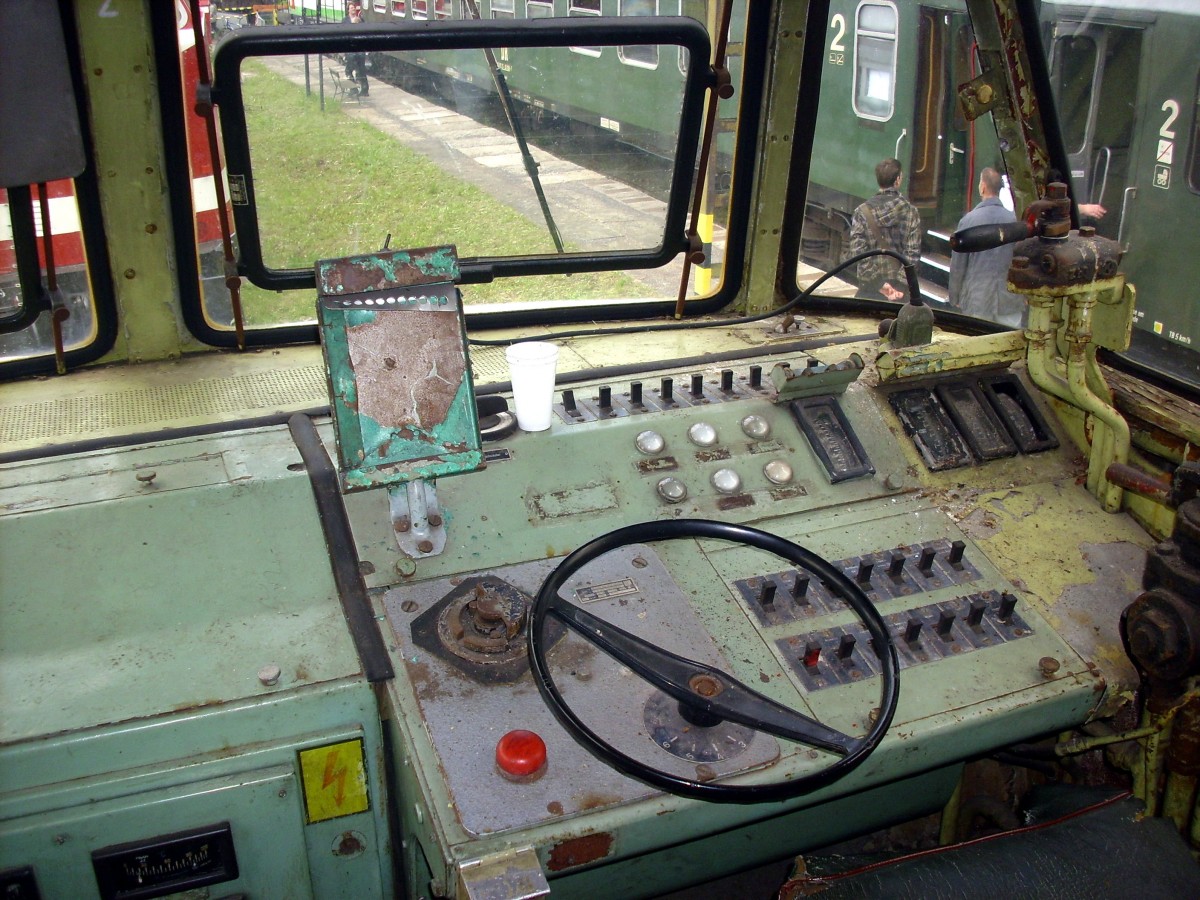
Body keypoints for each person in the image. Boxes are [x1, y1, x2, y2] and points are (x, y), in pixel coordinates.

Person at [948, 167, 1025, 328]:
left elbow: (958, 265)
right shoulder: (1014, 220)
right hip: (1009, 301)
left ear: (982, 187)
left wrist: (955, 296)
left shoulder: (968, 221)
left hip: (978, 299)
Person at [846, 158, 922, 300]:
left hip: (870, 288)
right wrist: (899, 286)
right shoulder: (911, 212)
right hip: (900, 292)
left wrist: (879, 284)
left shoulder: (862, 212)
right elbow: (913, 253)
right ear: (898, 180)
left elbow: (858, 251)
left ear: (878, 180)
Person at [343, 3, 369, 97]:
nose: (353, 9)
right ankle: (353, 89)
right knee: (349, 71)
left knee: (360, 70)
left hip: (359, 51)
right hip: (350, 51)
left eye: (354, 7)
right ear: (348, 10)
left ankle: (364, 90)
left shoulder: (360, 20)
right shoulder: (345, 21)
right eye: (351, 8)